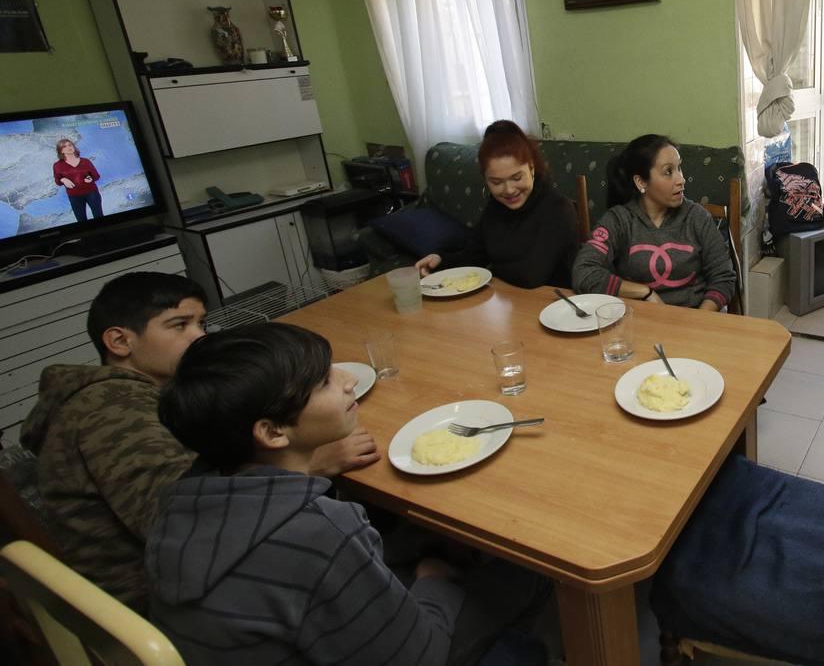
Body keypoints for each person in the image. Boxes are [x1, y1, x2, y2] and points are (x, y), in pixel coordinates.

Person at [145, 323, 548, 665]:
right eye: (323, 381)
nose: (349, 379)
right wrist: (432, 579)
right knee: (531, 570)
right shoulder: (317, 533)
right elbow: (418, 656)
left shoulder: (184, 497)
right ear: (271, 432)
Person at [19, 272, 379, 611]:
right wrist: (314, 464)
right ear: (119, 341)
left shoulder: (137, 395)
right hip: (171, 604)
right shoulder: (111, 412)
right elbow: (190, 524)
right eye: (179, 325)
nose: (199, 337)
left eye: (201, 324)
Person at [572, 134, 735, 310]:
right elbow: (584, 272)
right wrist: (645, 292)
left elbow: (724, 277)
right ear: (641, 181)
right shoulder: (618, 221)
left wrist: (699, 319)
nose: (681, 179)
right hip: (640, 323)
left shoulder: (697, 217)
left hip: (695, 322)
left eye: (679, 168)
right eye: (668, 172)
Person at [415, 120, 578, 289]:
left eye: (517, 178)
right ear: (485, 179)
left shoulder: (559, 209)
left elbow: (531, 276)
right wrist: (441, 260)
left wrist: (489, 269)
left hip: (554, 303)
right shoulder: (496, 207)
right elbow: (476, 255)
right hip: (507, 299)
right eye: (496, 182)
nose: (509, 190)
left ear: (531, 169)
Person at [53, 138, 103, 221]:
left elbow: (96, 176)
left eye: (70, 145)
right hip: (74, 196)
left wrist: (90, 178)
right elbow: (57, 181)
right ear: (61, 151)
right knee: (81, 220)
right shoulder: (57, 165)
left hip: (92, 193)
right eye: (64, 146)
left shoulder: (85, 161)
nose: (69, 147)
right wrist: (63, 179)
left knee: (99, 217)